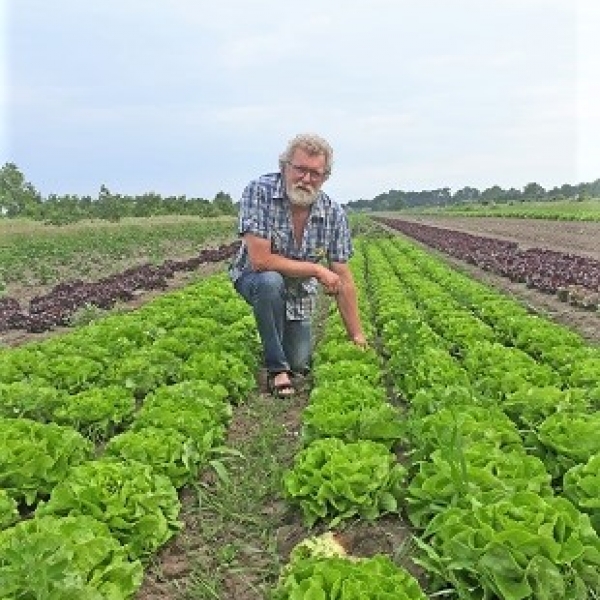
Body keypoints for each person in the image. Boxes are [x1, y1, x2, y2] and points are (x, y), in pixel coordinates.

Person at [229, 133, 367, 398]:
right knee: (271, 281)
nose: (306, 179)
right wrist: (316, 269)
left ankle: (282, 349)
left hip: (299, 291)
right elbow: (261, 261)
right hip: (254, 278)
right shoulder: (259, 191)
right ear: (285, 167)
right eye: (300, 169)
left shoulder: (333, 213)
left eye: (315, 173)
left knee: (300, 364)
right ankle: (276, 369)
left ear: (325, 177)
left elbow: (343, 277)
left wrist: (357, 335)